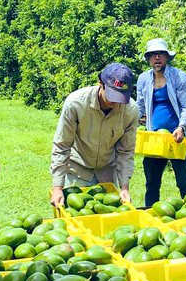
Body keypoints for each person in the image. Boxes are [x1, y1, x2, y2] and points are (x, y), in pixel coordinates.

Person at [50, 63, 139, 209]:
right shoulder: (76, 104)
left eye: (120, 97)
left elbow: (126, 151)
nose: (116, 102)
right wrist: (57, 187)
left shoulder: (130, 110)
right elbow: (62, 145)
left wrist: (124, 187)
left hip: (107, 173)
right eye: (112, 95)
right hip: (78, 170)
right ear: (100, 83)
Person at [135, 38, 186, 207]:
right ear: (148, 58)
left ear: (167, 57)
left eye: (160, 54)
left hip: (177, 137)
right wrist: (129, 123)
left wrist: (181, 127)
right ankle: (151, 213)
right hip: (155, 138)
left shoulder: (178, 77)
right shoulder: (143, 79)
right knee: (152, 182)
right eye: (153, 55)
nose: (157, 58)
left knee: (183, 181)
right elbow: (140, 106)